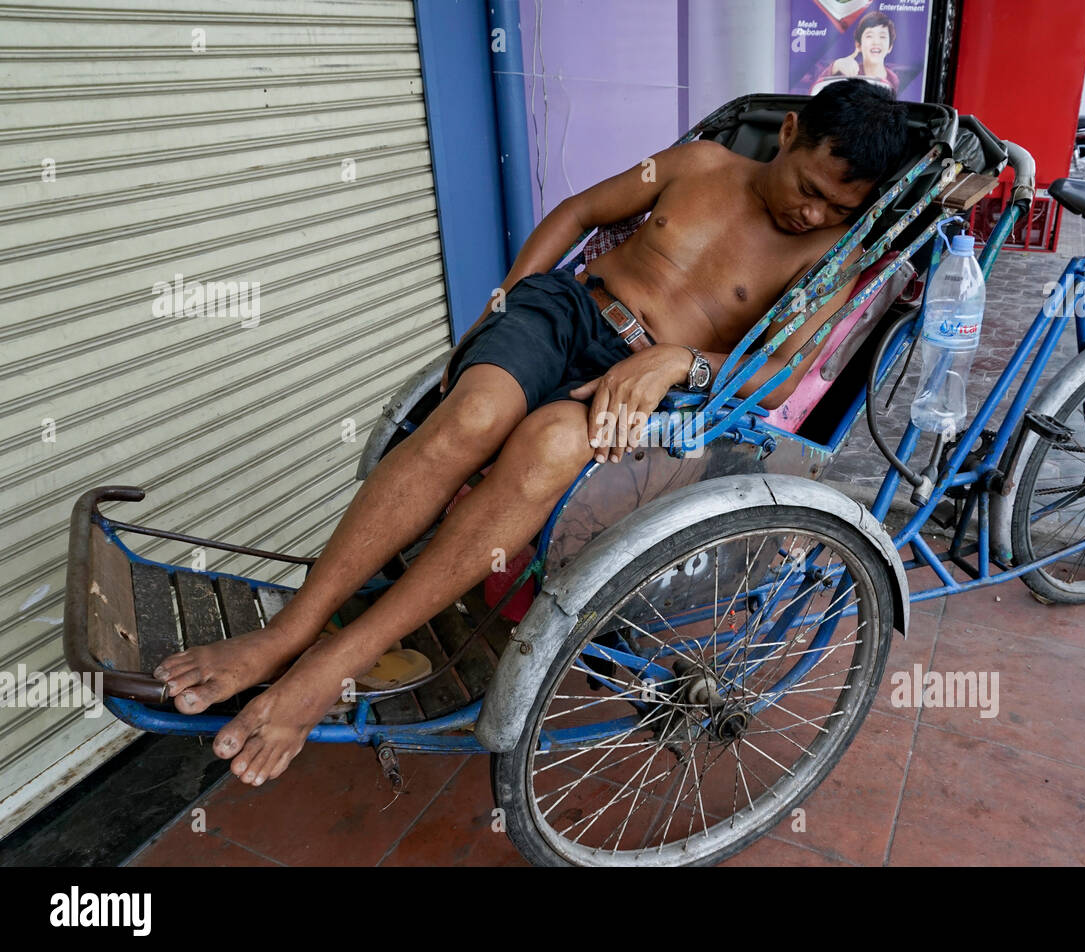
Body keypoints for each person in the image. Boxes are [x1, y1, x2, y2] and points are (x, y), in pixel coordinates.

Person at [151, 82, 911, 787]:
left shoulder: (825, 256)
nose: (813, 213)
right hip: (565, 312)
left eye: (837, 207)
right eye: (809, 188)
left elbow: (781, 373)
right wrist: (503, 300)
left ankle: (330, 666)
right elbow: (579, 213)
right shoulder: (699, 163)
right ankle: (289, 633)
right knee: (473, 416)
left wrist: (677, 361)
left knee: (549, 445)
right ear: (787, 133)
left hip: (654, 379)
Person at [824, 11, 900, 94]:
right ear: (858, 45)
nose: (876, 42)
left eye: (882, 36)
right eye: (869, 36)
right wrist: (835, 66)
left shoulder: (894, 80)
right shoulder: (849, 73)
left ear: (890, 47)